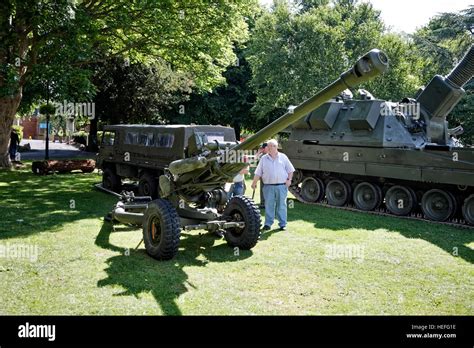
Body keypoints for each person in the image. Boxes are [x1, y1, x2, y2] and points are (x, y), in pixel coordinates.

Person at [251, 139, 295, 231]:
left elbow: (290, 170)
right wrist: (254, 182)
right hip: (268, 186)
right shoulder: (263, 158)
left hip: (281, 186)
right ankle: (268, 224)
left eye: (272, 146)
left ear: (276, 147)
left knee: (281, 205)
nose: (270, 148)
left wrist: (289, 180)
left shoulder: (283, 157)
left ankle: (282, 224)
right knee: (269, 205)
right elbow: (258, 172)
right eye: (269, 146)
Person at [256, 143, 268, 208]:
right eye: (266, 148)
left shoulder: (271, 155)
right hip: (263, 176)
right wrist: (258, 153)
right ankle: (263, 203)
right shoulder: (261, 156)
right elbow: (255, 161)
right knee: (263, 190)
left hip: (270, 176)